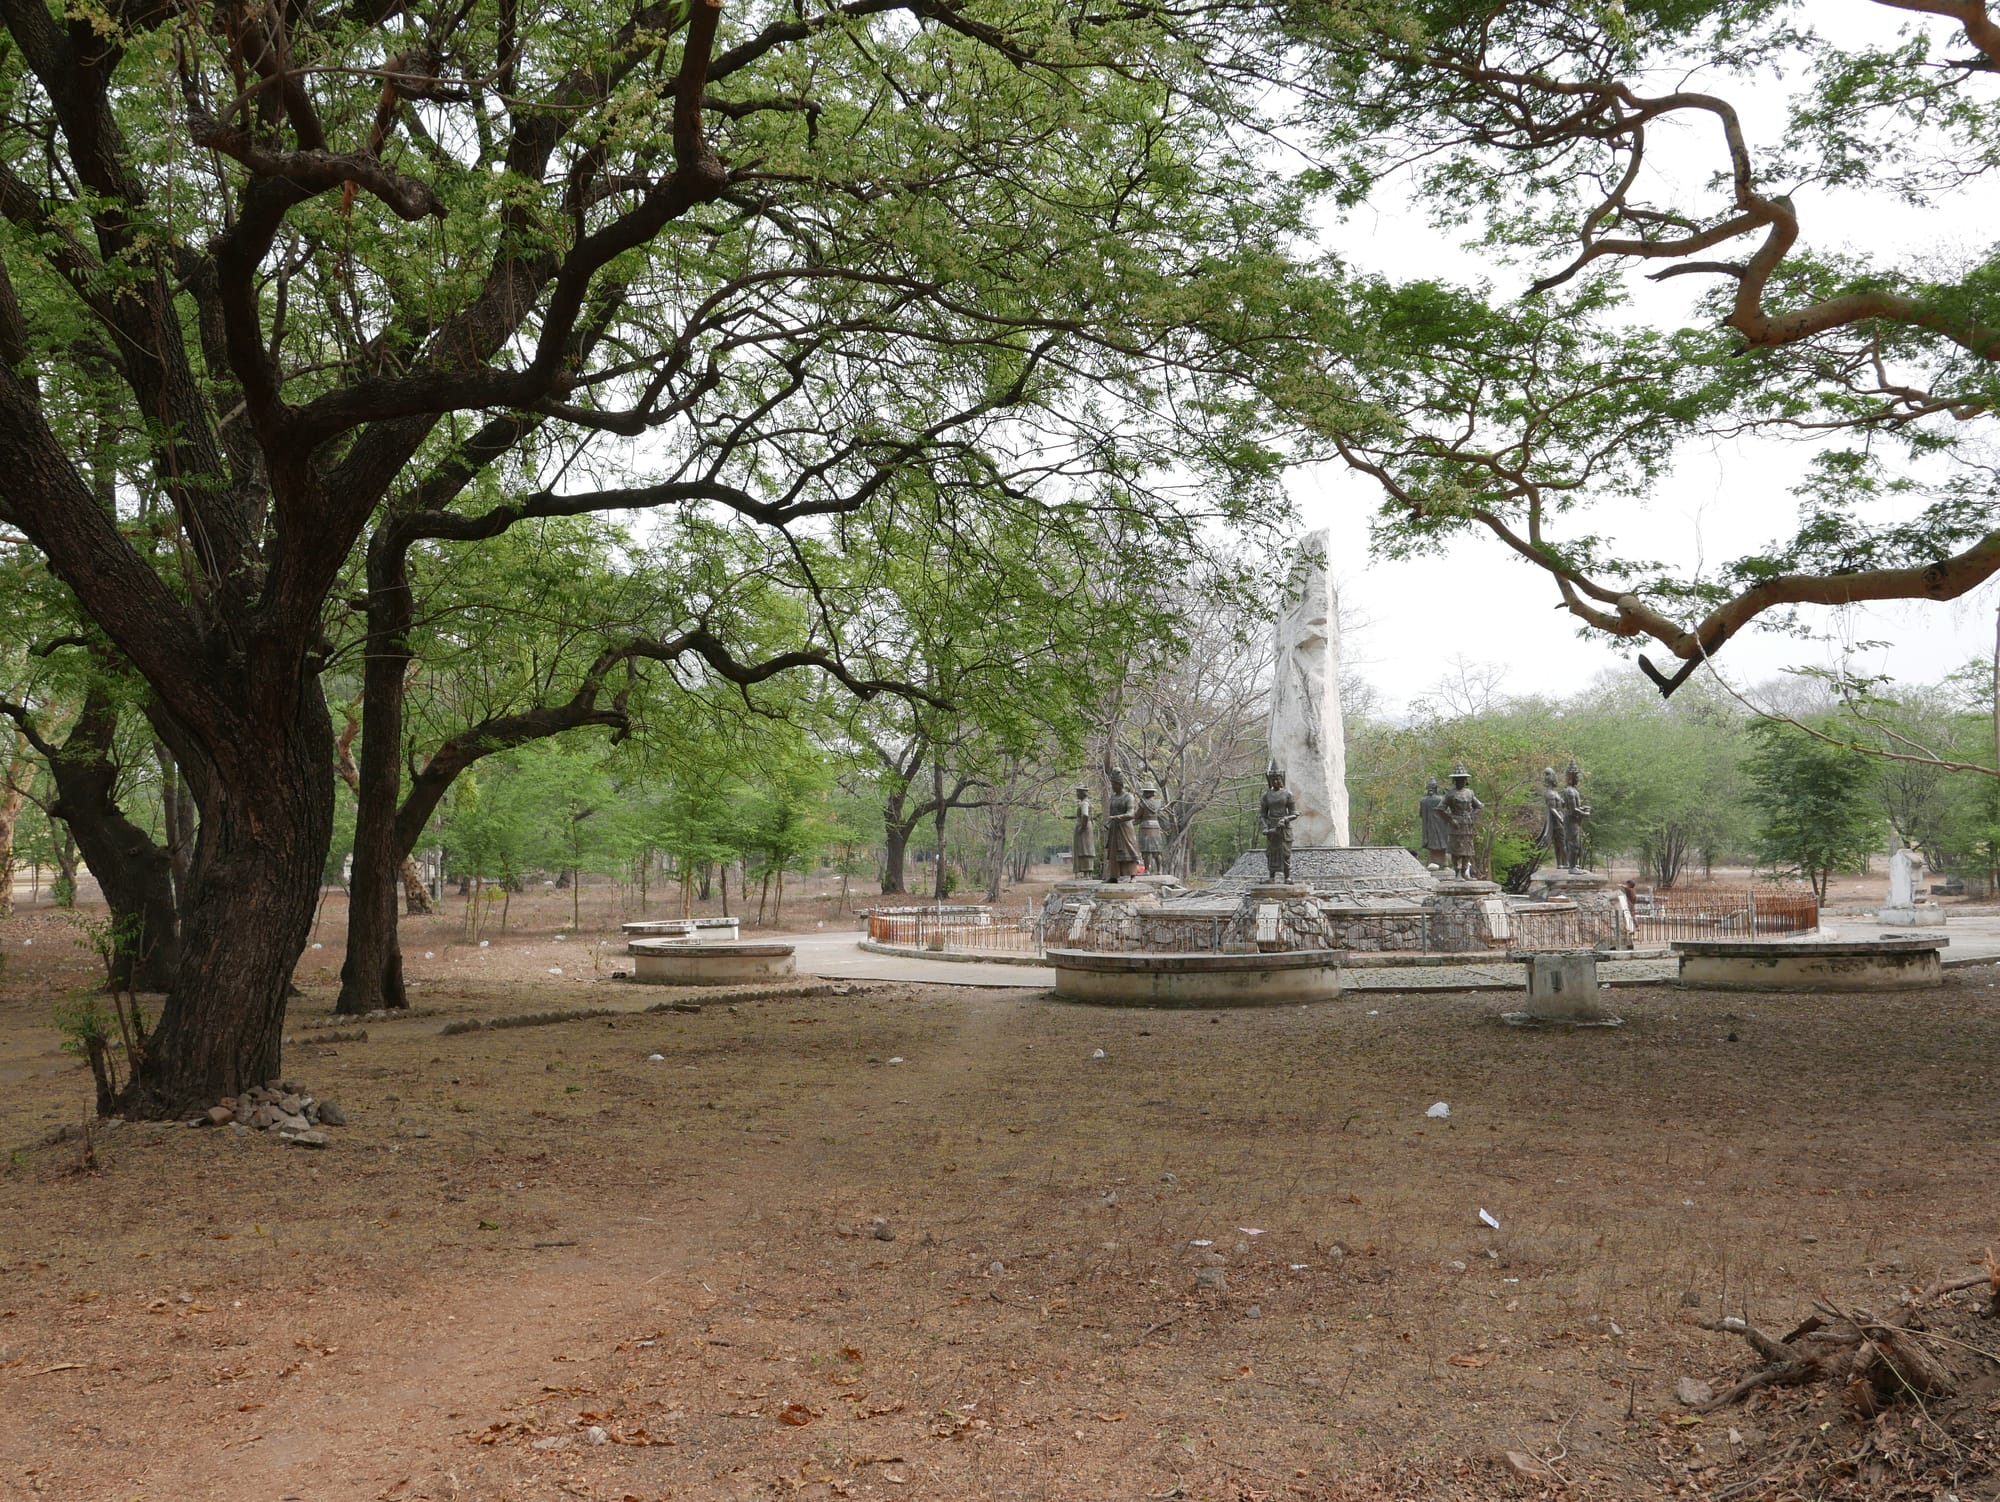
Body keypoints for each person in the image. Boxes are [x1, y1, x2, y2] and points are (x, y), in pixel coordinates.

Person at [1259, 764, 1299, 882]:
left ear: (1282, 780)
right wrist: (1265, 827)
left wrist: (1285, 819)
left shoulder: (1288, 795)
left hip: (1284, 829)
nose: (1275, 781)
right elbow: (1262, 814)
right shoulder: (1266, 796)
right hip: (1272, 828)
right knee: (1271, 853)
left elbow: (1294, 813)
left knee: (1285, 853)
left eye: (1278, 779)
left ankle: (1287, 877)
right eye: (1273, 780)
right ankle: (1271, 877)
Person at [1443, 762, 1483, 880]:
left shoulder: (1470, 792)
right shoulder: (1450, 794)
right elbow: (1440, 808)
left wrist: (1471, 815)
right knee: (1456, 850)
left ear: (1466, 780)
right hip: (1456, 825)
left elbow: (1479, 806)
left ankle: (1465, 872)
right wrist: (1451, 819)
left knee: (1468, 850)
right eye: (1458, 779)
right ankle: (1457, 873)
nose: (1460, 781)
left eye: (1462, 779)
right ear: (1454, 781)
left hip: (1468, 825)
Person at [1104, 771, 1141, 881]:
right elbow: (1111, 813)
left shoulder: (1128, 797)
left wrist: (1116, 818)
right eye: (1112, 784)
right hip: (1114, 829)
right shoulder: (1113, 797)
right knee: (1114, 852)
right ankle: (1114, 876)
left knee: (1129, 850)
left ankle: (1133, 875)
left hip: (1125, 828)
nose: (1112, 787)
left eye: (1114, 784)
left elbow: (1131, 814)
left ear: (1120, 784)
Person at [1560, 760, 1591, 872]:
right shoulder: (1570, 792)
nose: (1578, 779)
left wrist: (1582, 808)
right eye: (1577, 776)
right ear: (1571, 777)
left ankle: (1572, 864)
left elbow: (1575, 807)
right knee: (1574, 844)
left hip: (1573, 820)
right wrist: (1585, 813)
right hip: (1571, 820)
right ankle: (1572, 866)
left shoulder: (1573, 790)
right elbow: (1573, 810)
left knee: (1574, 843)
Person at [1136, 786, 1168, 877]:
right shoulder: (1158, 803)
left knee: (1146, 851)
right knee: (1156, 850)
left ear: (1146, 792)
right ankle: (1159, 870)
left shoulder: (1143, 804)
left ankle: (1147, 870)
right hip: (1156, 827)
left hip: (1145, 827)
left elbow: (1137, 815)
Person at [1418, 776, 1450, 867]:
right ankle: (1442, 863)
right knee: (1442, 843)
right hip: (1441, 827)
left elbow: (1421, 814)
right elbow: (1447, 812)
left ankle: (1436, 863)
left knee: (1433, 843)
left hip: (1430, 827)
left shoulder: (1423, 801)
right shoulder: (1442, 799)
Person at [1070, 786, 1096, 879]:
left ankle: (1086, 873)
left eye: (1078, 792)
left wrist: (1082, 827)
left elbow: (1085, 815)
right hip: (1087, 827)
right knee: (1086, 849)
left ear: (1082, 793)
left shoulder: (1084, 803)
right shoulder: (1087, 802)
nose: (1076, 794)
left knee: (1084, 850)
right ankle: (1088, 873)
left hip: (1084, 828)